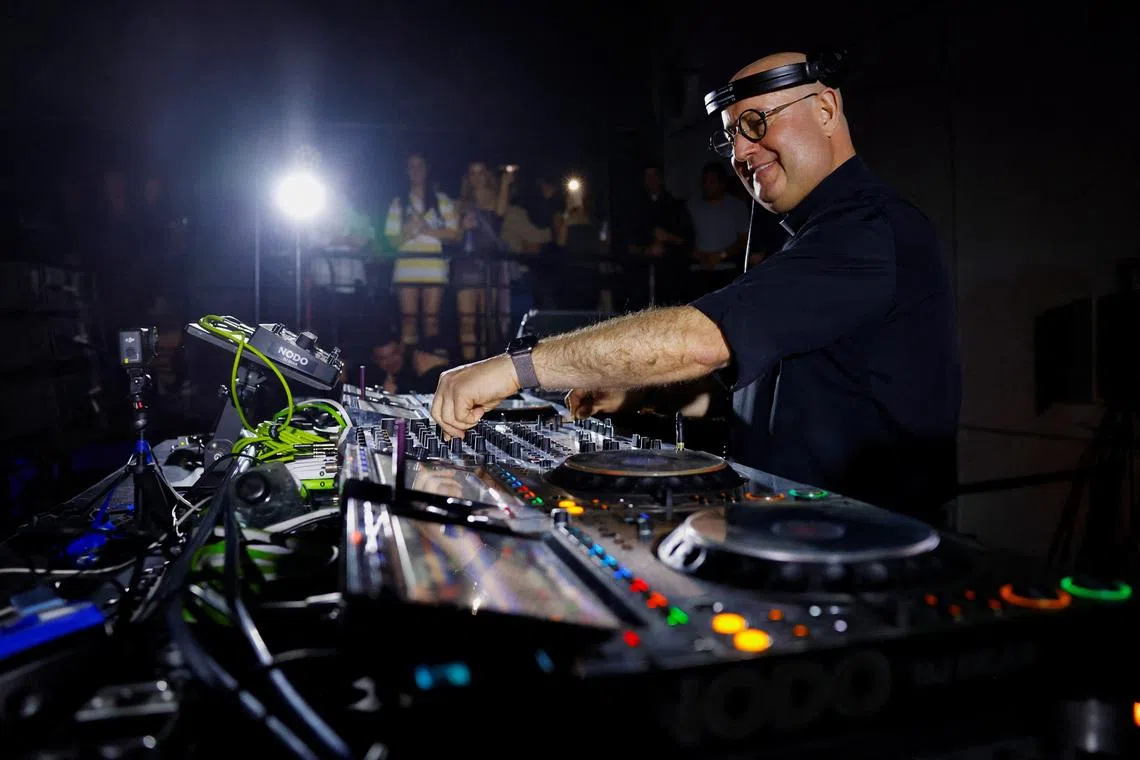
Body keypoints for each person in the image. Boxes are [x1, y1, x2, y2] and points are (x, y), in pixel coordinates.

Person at [429, 51, 961, 521]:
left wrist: (515, 368)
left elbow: (699, 338)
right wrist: (648, 393)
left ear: (824, 110)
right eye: (731, 136)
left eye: (755, 123)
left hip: (865, 548)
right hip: (789, 529)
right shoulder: (815, 237)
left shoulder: (869, 230)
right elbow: (791, 394)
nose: (741, 153)